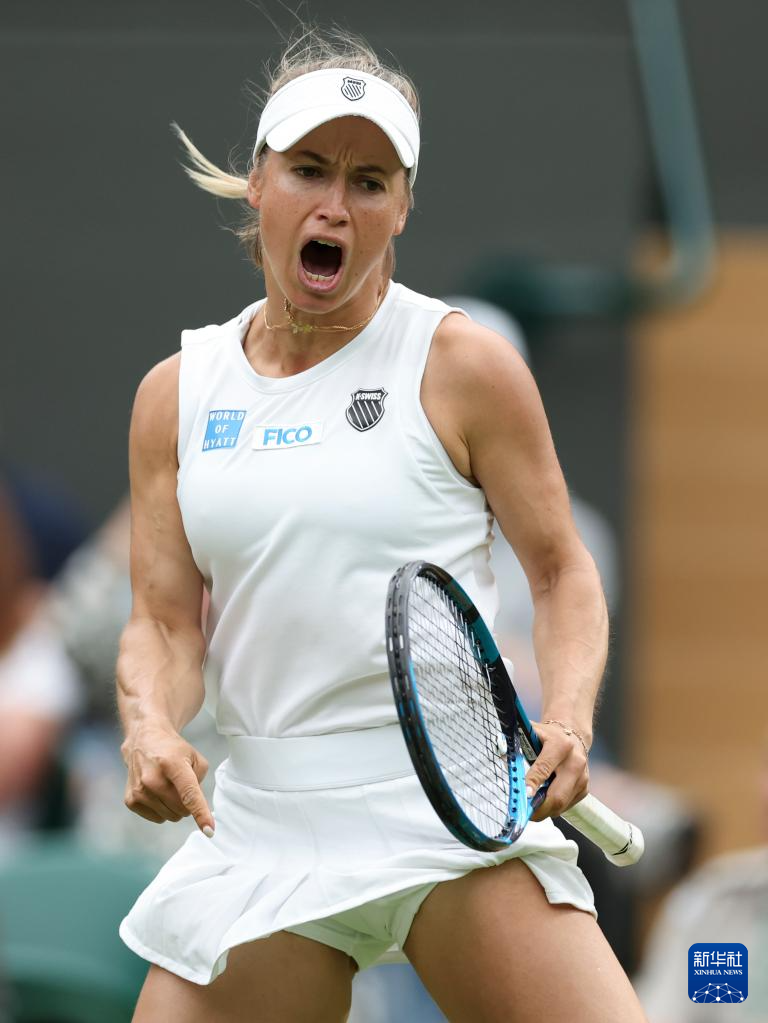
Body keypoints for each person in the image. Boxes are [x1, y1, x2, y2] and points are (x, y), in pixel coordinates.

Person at [116, 27, 648, 1023]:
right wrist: (149, 724)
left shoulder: (465, 366)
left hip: (448, 813)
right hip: (262, 826)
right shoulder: (174, 396)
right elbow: (164, 623)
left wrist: (571, 719)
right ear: (257, 185)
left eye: (369, 182)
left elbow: (561, 571)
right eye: (309, 169)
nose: (336, 204)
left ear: (401, 207)